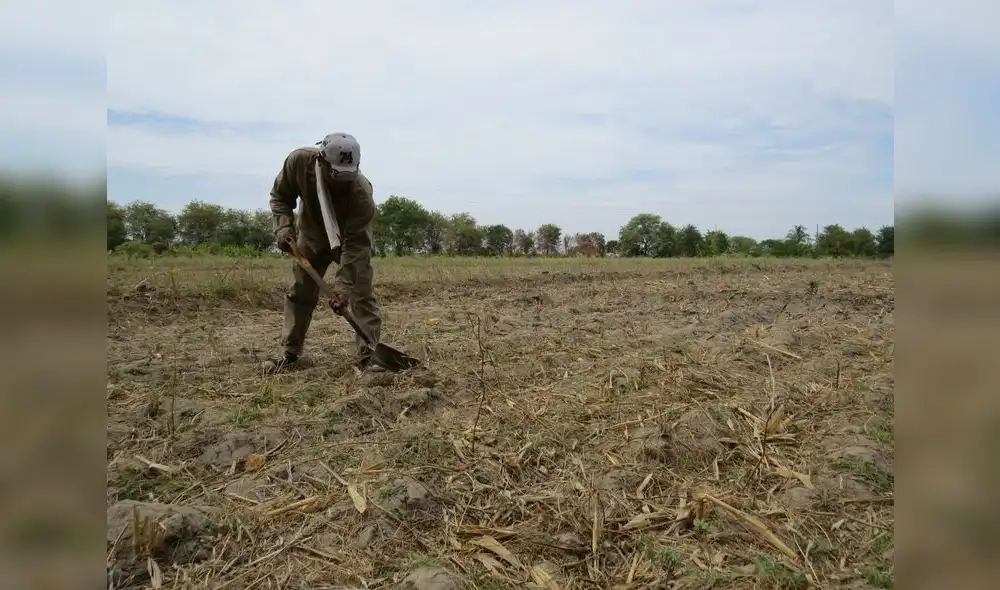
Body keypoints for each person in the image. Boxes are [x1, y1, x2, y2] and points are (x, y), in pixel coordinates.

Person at [262, 132, 382, 373]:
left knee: (362, 295)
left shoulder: (361, 194)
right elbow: (280, 196)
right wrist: (284, 227)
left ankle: (369, 356)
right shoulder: (298, 162)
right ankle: (291, 352)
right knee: (300, 293)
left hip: (348, 242)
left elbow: (357, 246)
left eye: (347, 176)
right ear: (322, 161)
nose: (341, 182)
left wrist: (343, 288)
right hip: (311, 238)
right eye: (336, 175)